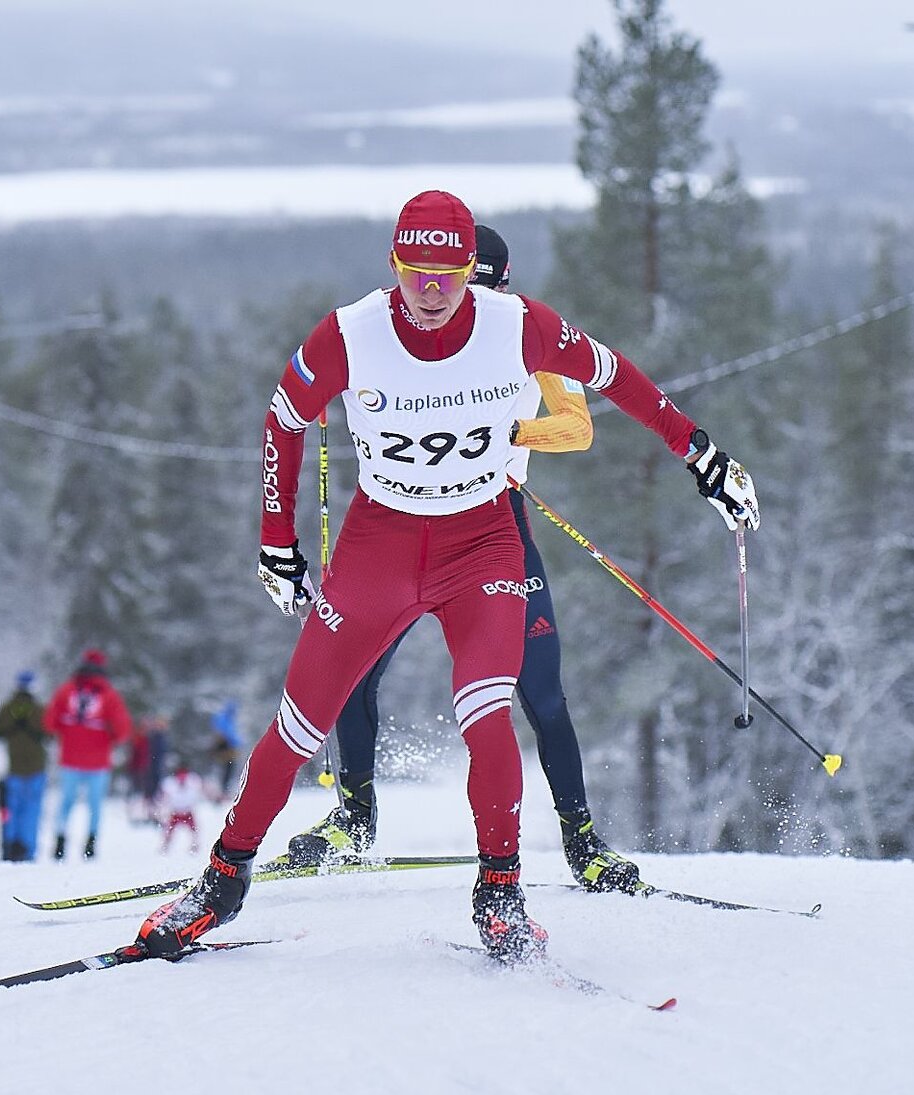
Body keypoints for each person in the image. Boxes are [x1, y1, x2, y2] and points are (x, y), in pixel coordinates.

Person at [130, 190, 758, 963]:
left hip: (483, 541)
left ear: (471, 270)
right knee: (298, 724)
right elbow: (284, 416)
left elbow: (614, 376)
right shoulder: (352, 331)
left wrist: (702, 454)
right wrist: (275, 543)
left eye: (447, 273)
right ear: (394, 264)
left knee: (488, 709)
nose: (429, 291)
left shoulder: (518, 323)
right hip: (379, 542)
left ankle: (500, 893)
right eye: (414, 272)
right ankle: (221, 882)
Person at [286, 225, 642, 893]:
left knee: (540, 693)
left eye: (475, 287)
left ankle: (584, 842)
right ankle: (355, 818)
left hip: (492, 530)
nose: (453, 303)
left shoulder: (525, 334)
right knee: (351, 673)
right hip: (400, 529)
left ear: (500, 285)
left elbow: (580, 426)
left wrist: (511, 431)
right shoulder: (409, 329)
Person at [43, 648, 132, 860]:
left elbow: (49, 722)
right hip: (98, 761)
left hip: (70, 758)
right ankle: (90, 844)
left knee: (66, 802)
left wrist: (68, 733)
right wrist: (108, 738)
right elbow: (123, 729)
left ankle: (60, 841)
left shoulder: (66, 690)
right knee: (95, 805)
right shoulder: (109, 695)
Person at [0, 669, 47, 862]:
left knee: (11, 810)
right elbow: (49, 734)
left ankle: (9, 848)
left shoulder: (7, 708)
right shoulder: (39, 710)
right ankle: (27, 850)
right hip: (35, 768)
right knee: (31, 811)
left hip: (13, 768)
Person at [157, 761, 205, 854]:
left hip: (187, 812)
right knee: (169, 831)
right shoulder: (170, 783)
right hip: (176, 812)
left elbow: (203, 788)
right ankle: (165, 847)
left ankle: (195, 846)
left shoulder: (193, 780)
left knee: (194, 830)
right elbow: (163, 796)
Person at [208, 700, 243, 797]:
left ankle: (223, 790)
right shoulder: (224, 719)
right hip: (224, 749)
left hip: (227, 749)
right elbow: (225, 734)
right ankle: (221, 791)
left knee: (226, 771)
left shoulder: (228, 719)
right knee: (224, 770)